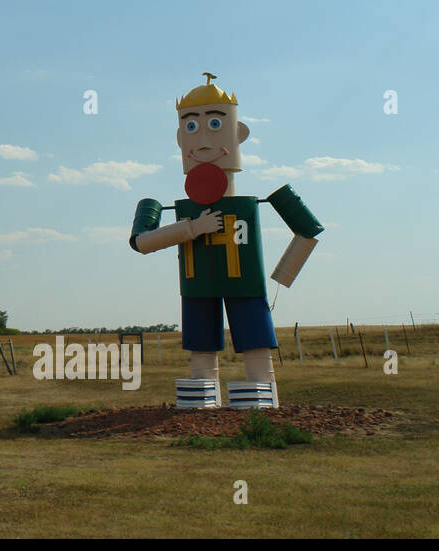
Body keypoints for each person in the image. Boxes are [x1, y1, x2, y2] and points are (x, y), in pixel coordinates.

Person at [129, 74, 322, 409]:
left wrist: (283, 275)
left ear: (238, 133)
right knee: (201, 345)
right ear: (180, 138)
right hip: (197, 284)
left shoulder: (249, 203)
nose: (202, 139)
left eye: (215, 123)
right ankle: (203, 398)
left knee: (254, 341)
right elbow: (141, 242)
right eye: (191, 127)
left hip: (245, 283)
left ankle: (260, 396)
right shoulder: (174, 208)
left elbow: (309, 229)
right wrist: (193, 228)